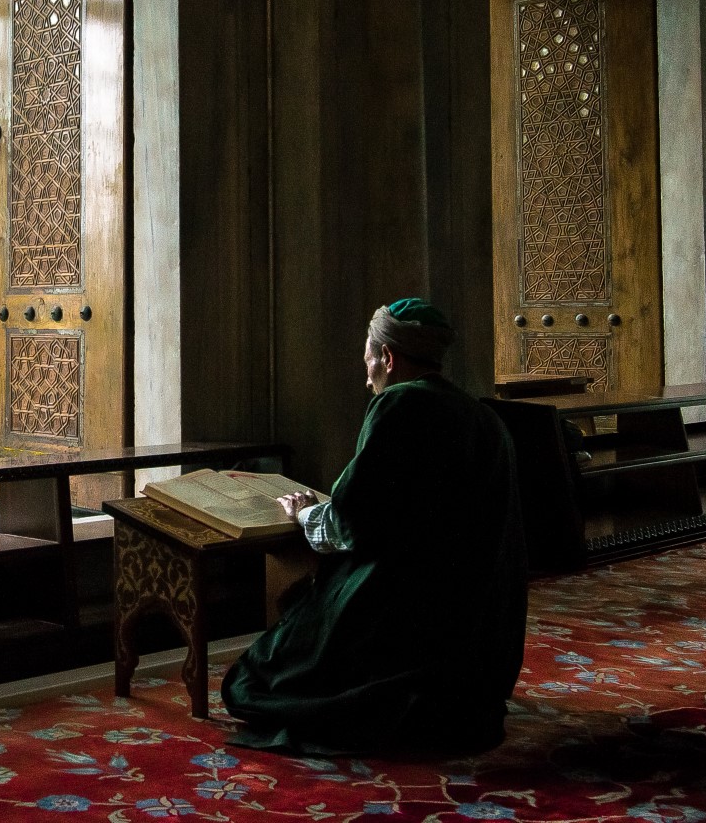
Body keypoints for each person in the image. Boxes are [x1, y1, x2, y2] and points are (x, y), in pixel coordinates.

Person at [220, 298, 528, 756]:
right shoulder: (483, 416)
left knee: (254, 679)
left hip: (404, 613)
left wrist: (303, 513)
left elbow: (349, 523)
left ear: (387, 357)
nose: (367, 378)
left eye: (368, 361)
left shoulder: (398, 405)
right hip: (477, 631)